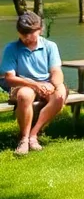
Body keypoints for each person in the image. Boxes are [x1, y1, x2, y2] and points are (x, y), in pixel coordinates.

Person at [2, 12, 66, 155]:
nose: (26, 38)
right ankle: (23, 139)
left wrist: (54, 85)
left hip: (46, 83)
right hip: (22, 84)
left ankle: (33, 134)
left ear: (40, 30)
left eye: (30, 34)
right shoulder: (11, 48)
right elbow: (10, 78)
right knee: (25, 95)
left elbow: (56, 71)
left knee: (60, 94)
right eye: (23, 34)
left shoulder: (50, 46)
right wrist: (35, 85)